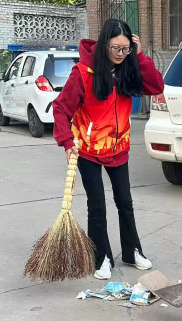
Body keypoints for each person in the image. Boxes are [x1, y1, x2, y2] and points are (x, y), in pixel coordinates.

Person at [53, 19, 164, 280]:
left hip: (118, 147)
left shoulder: (128, 67)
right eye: (116, 48)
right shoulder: (82, 72)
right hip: (88, 149)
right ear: (104, 44)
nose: (120, 54)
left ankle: (132, 250)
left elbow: (156, 87)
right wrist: (67, 142)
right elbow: (60, 108)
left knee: (124, 201)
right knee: (97, 204)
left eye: (126, 49)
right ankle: (101, 257)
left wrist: (140, 57)